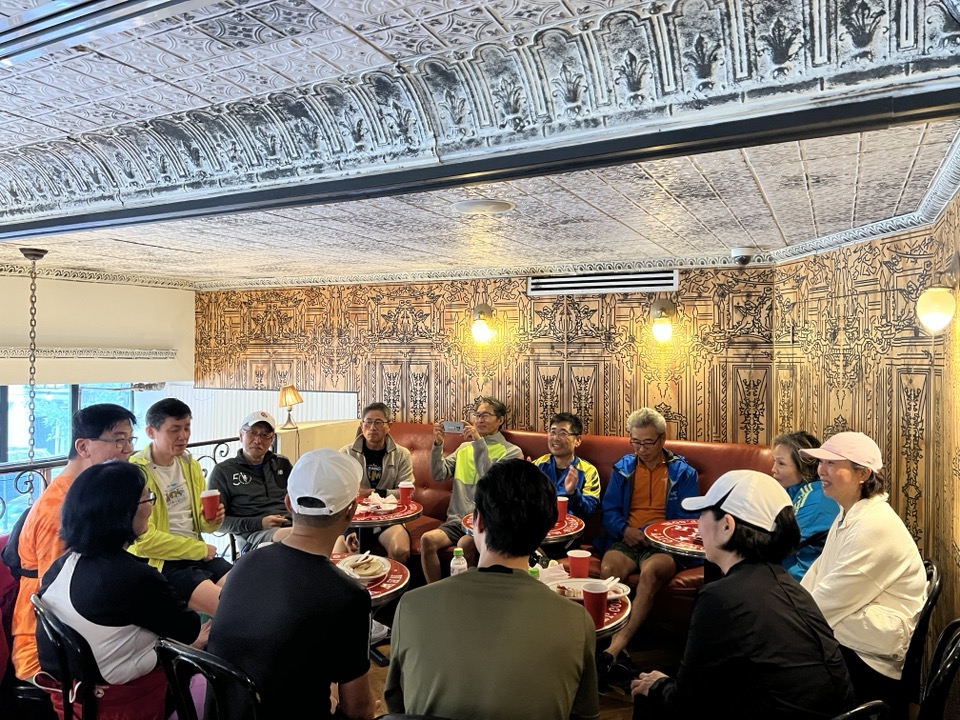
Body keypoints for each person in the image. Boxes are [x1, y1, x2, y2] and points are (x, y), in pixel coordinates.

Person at [630, 469, 855, 718]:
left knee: (646, 691)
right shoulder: (790, 587)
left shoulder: (720, 598)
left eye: (703, 513)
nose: (698, 524)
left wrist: (659, 685)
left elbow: (685, 702)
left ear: (727, 526)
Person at [385, 458, 599, 720]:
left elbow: (397, 706)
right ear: (545, 532)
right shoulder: (577, 621)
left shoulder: (411, 606)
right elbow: (585, 714)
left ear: (479, 523)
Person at [208, 449, 375, 720]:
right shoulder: (349, 595)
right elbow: (358, 710)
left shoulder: (244, 564)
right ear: (351, 511)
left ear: (287, 502)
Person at [36, 462, 205, 720]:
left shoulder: (61, 566)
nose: (151, 506)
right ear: (123, 513)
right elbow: (189, 629)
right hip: (123, 700)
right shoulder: (133, 578)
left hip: (73, 696)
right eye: (147, 498)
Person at [799, 432, 927, 713]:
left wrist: (787, 618)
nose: (821, 470)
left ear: (862, 473)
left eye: (832, 463)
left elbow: (827, 603)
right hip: (854, 642)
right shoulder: (849, 513)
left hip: (872, 660)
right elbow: (819, 575)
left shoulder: (874, 525)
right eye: (821, 462)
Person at [11, 403, 137, 683]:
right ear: (83, 447)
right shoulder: (58, 511)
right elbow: (55, 595)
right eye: (118, 440)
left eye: (130, 440)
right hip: (44, 646)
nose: (128, 450)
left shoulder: (85, 496)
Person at [597, 407, 699, 684]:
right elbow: (609, 511)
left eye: (648, 442)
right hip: (627, 537)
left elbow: (688, 519)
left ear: (662, 439)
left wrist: (651, 533)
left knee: (651, 572)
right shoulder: (623, 468)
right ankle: (615, 650)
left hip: (664, 544)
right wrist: (624, 530)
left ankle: (614, 648)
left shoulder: (684, 473)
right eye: (635, 442)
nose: (641, 449)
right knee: (608, 569)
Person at [129, 398, 230, 614]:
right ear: (151, 431)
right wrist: (199, 549)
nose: (183, 436)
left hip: (196, 552)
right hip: (163, 561)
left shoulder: (189, 464)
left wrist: (213, 520)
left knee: (248, 591)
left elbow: (202, 526)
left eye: (187, 428)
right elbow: (143, 541)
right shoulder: (137, 473)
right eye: (174, 429)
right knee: (229, 607)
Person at [419, 397, 522, 583]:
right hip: (457, 521)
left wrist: (477, 442)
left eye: (485, 415)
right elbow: (438, 474)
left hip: (486, 522)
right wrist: (438, 444)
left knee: (464, 544)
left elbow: (490, 481)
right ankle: (435, 590)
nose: (479, 420)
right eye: (477, 415)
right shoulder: (464, 448)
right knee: (427, 540)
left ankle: (467, 593)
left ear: (500, 420)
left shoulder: (512, 451)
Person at [335, 402, 415, 563]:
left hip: (389, 518)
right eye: (368, 422)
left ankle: (389, 579)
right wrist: (347, 529)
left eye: (378, 422)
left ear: (389, 426)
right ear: (361, 425)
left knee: (401, 550)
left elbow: (406, 493)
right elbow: (338, 493)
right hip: (354, 519)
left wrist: (371, 492)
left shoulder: (401, 454)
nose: (372, 428)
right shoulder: (346, 453)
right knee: (338, 557)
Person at [207, 410, 294, 551]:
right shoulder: (224, 471)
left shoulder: (281, 463)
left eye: (265, 435)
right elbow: (216, 524)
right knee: (301, 537)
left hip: (290, 527)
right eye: (252, 433)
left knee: (326, 531)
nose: (258, 440)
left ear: (271, 440)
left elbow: (300, 498)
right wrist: (259, 523)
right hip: (253, 537)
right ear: (241, 435)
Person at [771, 430, 838, 580]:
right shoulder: (791, 490)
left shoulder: (816, 496)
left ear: (804, 467)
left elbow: (778, 543)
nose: (773, 470)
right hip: (787, 574)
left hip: (803, 581)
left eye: (781, 463)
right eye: (774, 462)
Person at [531, 412, 601, 520]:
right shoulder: (537, 465)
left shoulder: (589, 471)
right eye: (552, 432)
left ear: (578, 440)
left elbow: (589, 510)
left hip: (570, 527)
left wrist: (573, 493)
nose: (556, 438)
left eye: (563, 433)